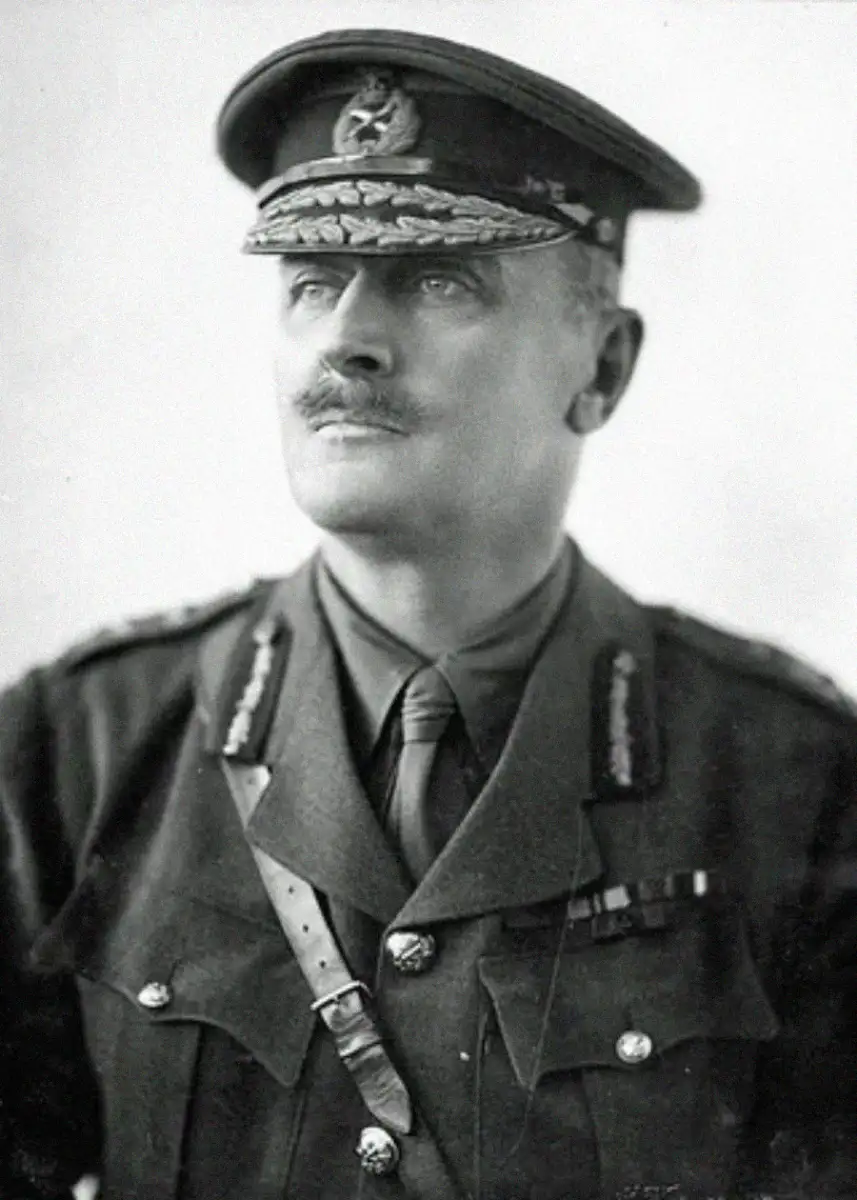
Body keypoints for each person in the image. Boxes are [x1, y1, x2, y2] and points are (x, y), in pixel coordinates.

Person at [1, 26, 855, 1200]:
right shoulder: (73, 752)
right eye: (309, 282)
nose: (345, 339)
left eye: (436, 280)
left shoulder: (792, 780)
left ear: (600, 368)